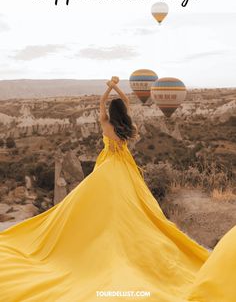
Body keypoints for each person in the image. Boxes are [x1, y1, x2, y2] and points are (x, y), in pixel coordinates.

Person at [0, 77, 214, 302]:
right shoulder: (127, 124)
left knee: (94, 200)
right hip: (124, 166)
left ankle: (98, 236)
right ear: (123, 111)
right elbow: (126, 101)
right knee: (130, 200)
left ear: (110, 111)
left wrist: (108, 89)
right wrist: (118, 89)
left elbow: (102, 104)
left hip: (107, 165)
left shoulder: (105, 123)